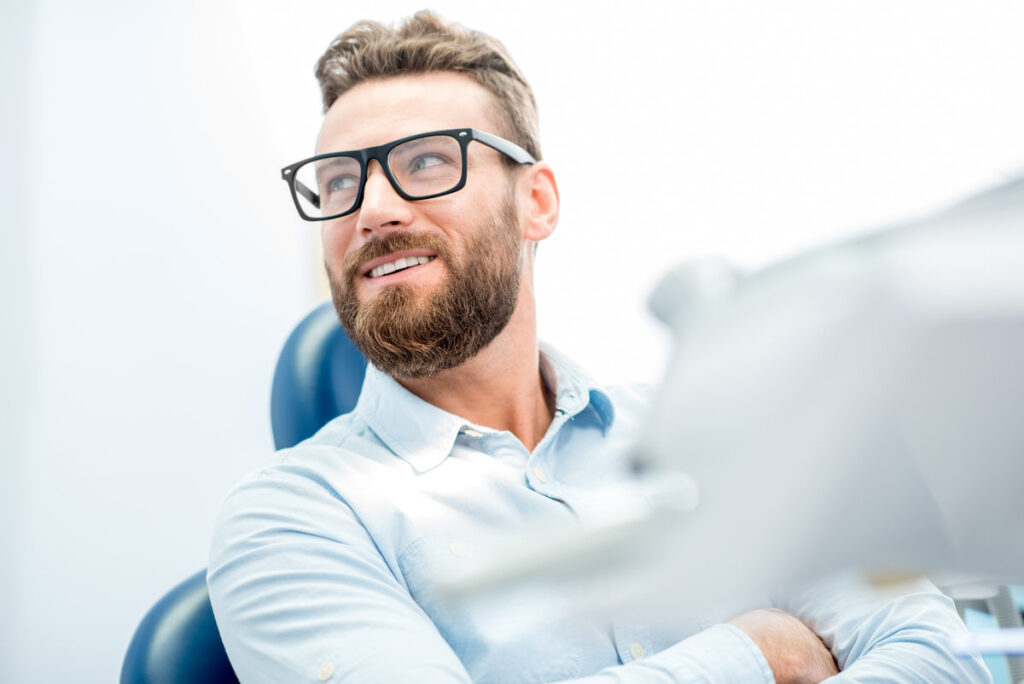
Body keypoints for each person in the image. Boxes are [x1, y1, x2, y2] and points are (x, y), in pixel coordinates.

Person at [208, 11, 991, 683]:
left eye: (425, 162)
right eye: (339, 182)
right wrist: (756, 652)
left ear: (537, 202)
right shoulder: (289, 519)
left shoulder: (706, 445)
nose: (372, 208)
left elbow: (934, 654)